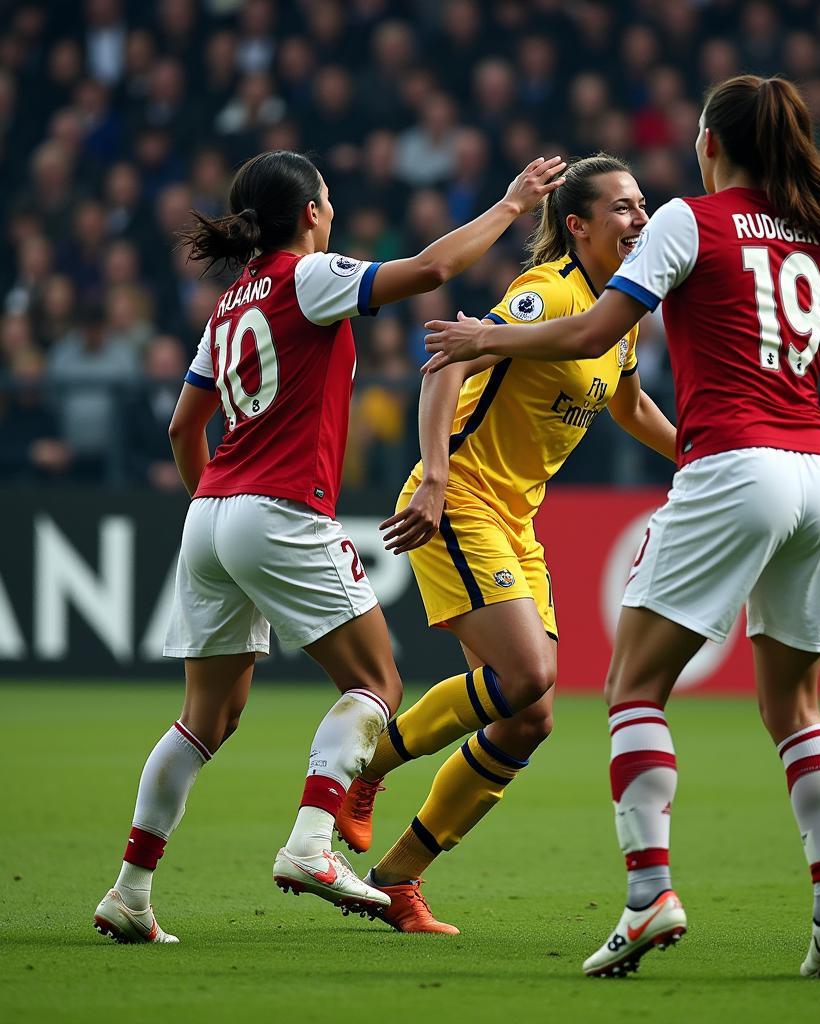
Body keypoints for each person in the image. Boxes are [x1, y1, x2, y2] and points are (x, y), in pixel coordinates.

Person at [421, 76, 820, 979]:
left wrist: (487, 339)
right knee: (794, 707)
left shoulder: (690, 219)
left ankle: (649, 899)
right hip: (819, 476)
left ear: (714, 143)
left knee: (633, 689)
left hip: (734, 464)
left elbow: (593, 331)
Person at [92, 148, 565, 944]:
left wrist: (220, 501)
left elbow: (184, 429)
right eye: (329, 200)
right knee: (377, 681)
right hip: (279, 509)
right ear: (310, 212)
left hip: (209, 514)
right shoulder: (307, 278)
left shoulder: (224, 306)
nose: (334, 210)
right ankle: (312, 844)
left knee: (203, 720)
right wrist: (513, 204)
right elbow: (431, 268)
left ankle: (130, 891)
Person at [335, 155, 677, 934]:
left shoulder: (618, 312)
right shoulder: (546, 293)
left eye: (644, 204)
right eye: (622, 208)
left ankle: (396, 880)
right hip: (459, 500)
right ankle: (364, 763)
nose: (640, 219)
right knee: (527, 676)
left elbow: (628, 406)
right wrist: (431, 475)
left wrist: (702, 452)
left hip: (515, 519)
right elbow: (446, 364)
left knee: (530, 718)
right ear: (579, 225)